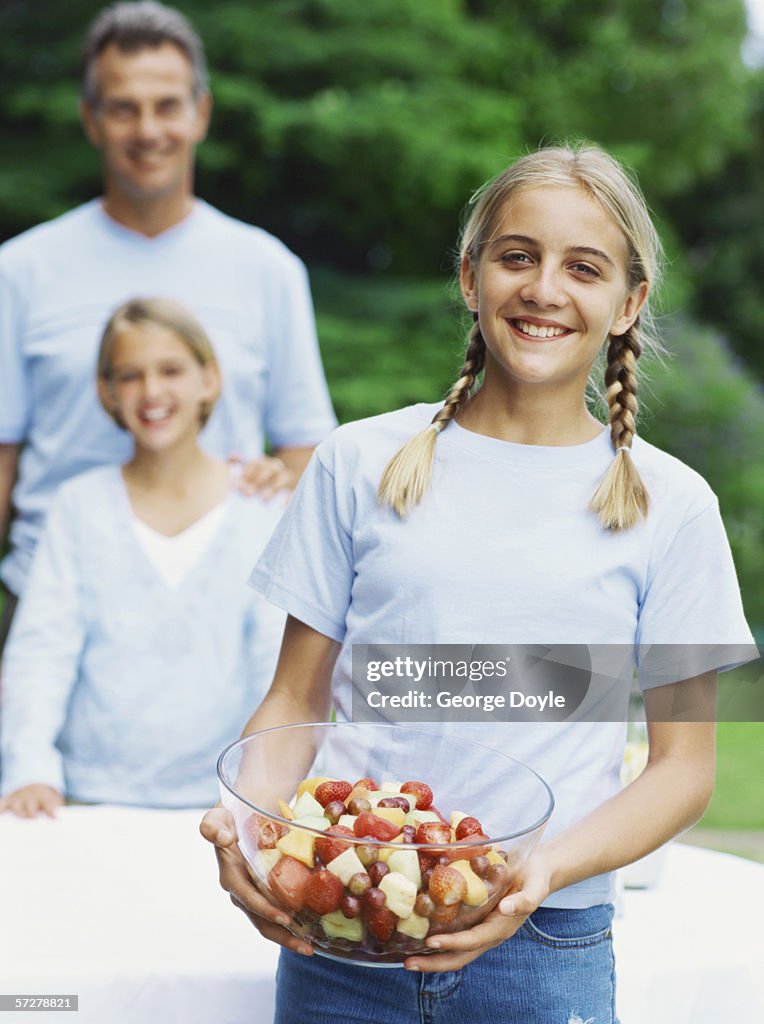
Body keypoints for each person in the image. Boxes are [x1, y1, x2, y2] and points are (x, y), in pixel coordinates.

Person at [199, 144, 756, 1023]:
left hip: (545, 953)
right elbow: (292, 701)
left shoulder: (673, 505)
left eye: (584, 267)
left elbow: (684, 769)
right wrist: (255, 824)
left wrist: (547, 870)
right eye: (516, 256)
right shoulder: (358, 462)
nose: (543, 289)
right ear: (471, 277)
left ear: (629, 302)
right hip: (345, 943)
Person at [0, 0, 335, 646]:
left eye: (167, 105)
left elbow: (306, 457)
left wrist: (278, 476)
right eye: (123, 107)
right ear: (91, 120)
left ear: (200, 113)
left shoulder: (268, 269)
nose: (147, 128)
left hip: (220, 605)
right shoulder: (19, 271)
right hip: (50, 604)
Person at [0, 298, 286, 816]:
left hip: (225, 804)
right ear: (106, 391)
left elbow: (280, 667)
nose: (152, 392)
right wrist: (30, 768)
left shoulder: (261, 506)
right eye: (130, 376)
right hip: (86, 798)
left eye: (171, 370)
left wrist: (267, 790)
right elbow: (42, 650)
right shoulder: (79, 505)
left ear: (210, 379)